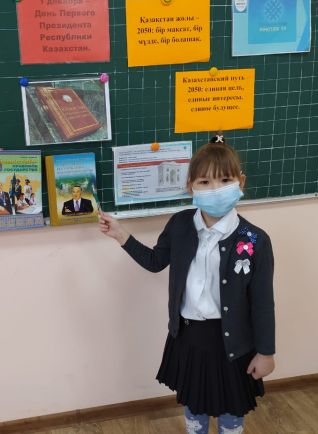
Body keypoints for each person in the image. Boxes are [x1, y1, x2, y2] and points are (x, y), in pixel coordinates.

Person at [99, 135, 275, 434]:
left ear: (240, 182)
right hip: (190, 338)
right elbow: (155, 261)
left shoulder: (255, 239)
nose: (215, 188)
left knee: (231, 408)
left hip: (233, 343)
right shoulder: (180, 225)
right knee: (195, 404)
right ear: (190, 186)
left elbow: (262, 302)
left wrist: (266, 351)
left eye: (225, 180)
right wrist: (121, 235)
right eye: (205, 181)